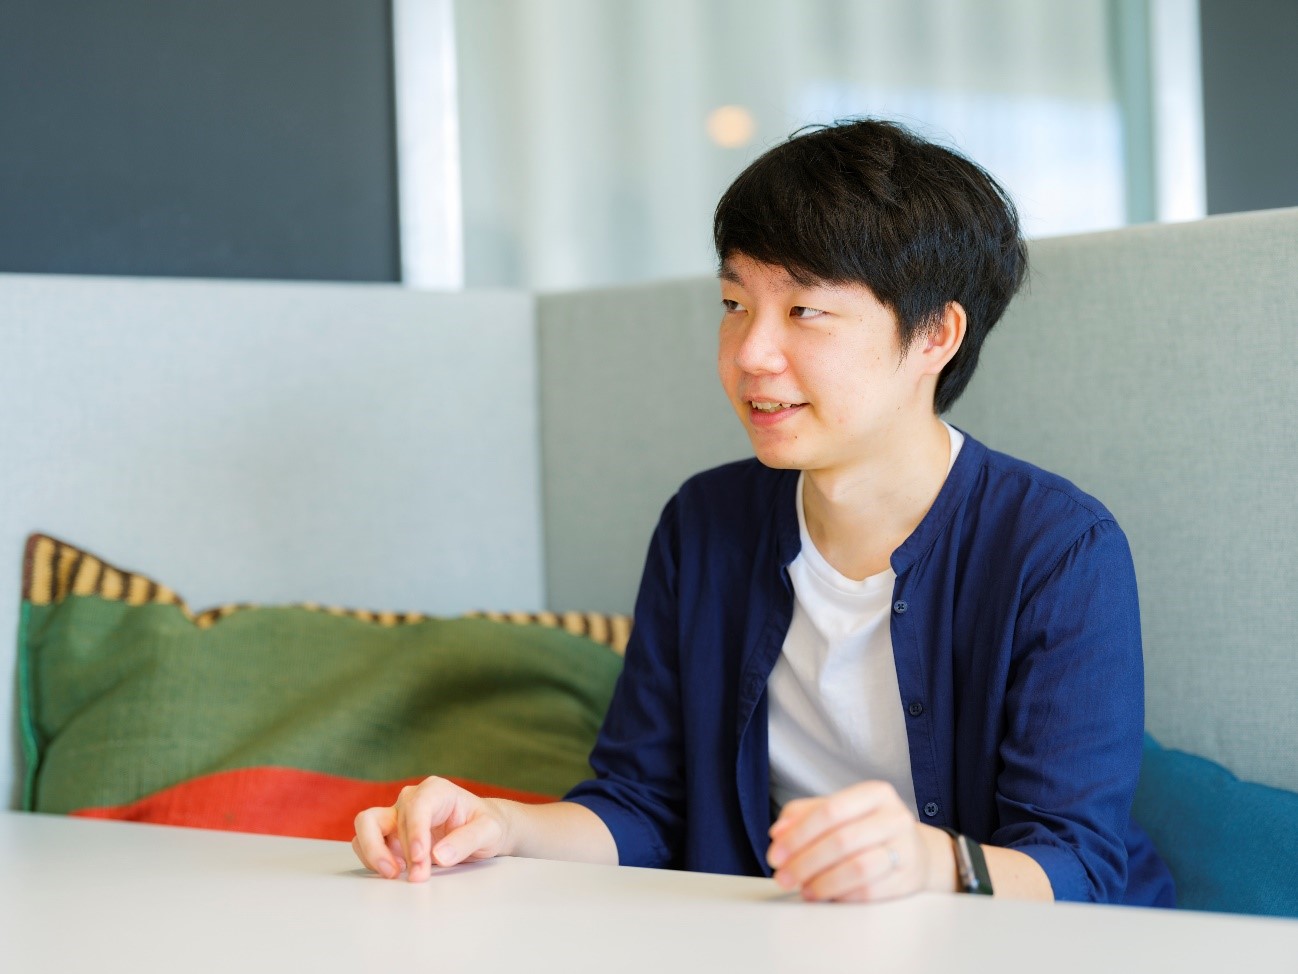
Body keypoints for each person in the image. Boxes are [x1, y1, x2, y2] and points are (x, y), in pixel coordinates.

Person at [352, 118, 1175, 906]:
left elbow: (1078, 864)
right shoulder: (704, 522)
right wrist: (501, 827)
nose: (750, 353)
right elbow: (644, 805)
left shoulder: (1058, 548)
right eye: (735, 304)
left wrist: (927, 863)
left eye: (804, 311)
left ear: (935, 336)